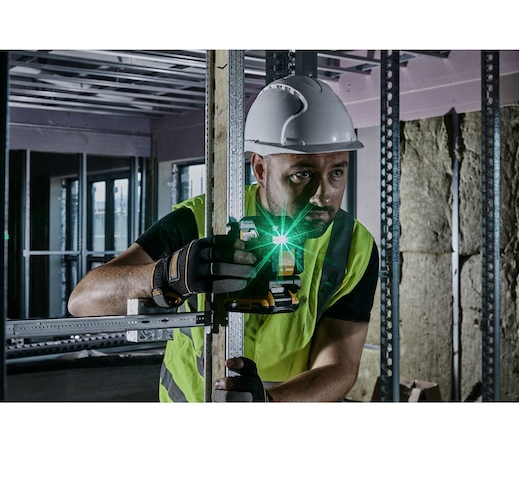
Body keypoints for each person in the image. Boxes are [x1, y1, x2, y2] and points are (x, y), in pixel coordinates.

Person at [68, 75, 379, 402]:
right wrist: (168, 275)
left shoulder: (354, 249)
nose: (322, 195)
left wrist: (267, 404)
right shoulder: (204, 220)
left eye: (337, 173)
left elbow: (339, 367)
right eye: (303, 174)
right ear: (260, 169)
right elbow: (83, 300)